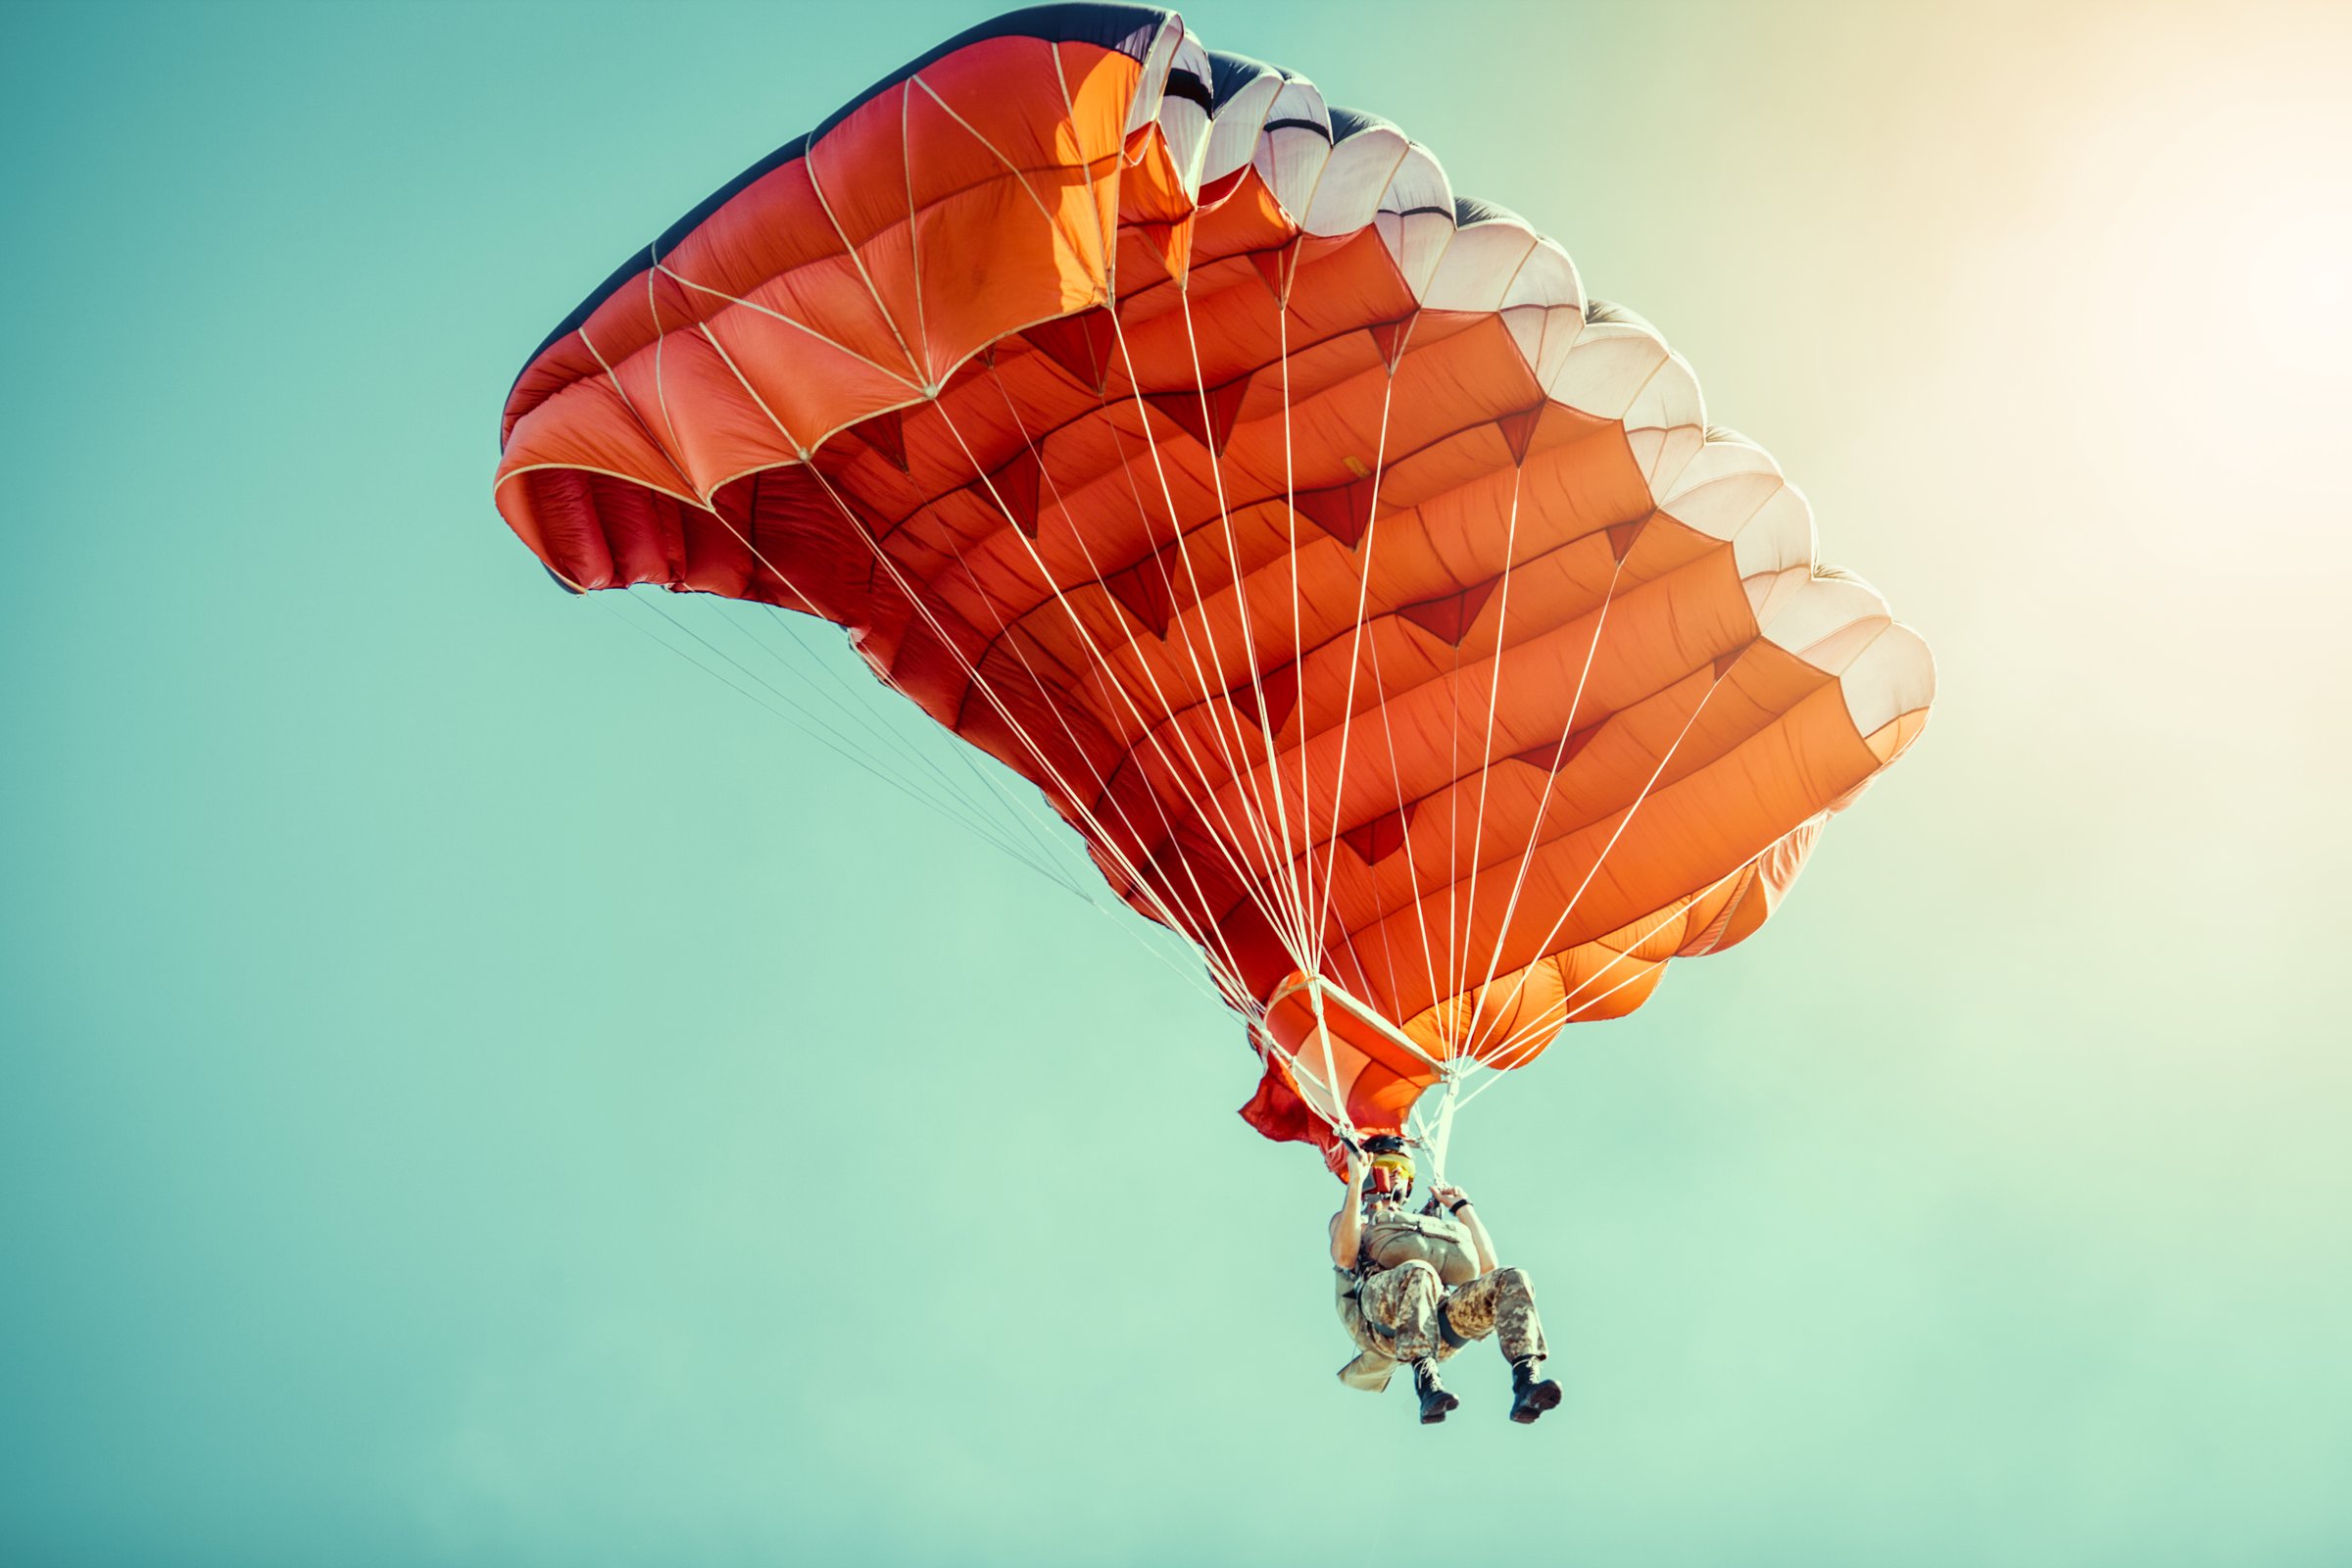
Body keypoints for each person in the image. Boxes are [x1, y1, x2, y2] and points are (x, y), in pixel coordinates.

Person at [1329, 1135, 1562, 1425]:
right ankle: (1427, 1385)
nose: (1397, 1173)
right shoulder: (1356, 1221)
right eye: (1388, 1164)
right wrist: (1355, 1183)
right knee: (1419, 1271)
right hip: (1383, 1321)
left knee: (1511, 1278)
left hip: (1438, 1326)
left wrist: (1463, 1207)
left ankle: (1526, 1381)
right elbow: (1344, 1256)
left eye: (1404, 1168)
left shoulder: (1424, 1225)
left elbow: (1488, 1267)